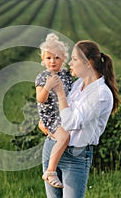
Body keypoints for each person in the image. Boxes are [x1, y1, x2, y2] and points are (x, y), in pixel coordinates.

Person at [40, 40, 121, 198]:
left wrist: (61, 94)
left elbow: (71, 122)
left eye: (74, 59)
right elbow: (61, 112)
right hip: (52, 147)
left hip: (75, 157)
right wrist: (46, 121)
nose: (69, 63)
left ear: (88, 63)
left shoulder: (101, 94)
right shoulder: (78, 85)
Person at [35, 33, 73, 188]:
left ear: (64, 58)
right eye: (49, 58)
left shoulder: (66, 75)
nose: (53, 61)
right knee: (64, 137)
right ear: (43, 59)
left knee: (68, 134)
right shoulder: (42, 77)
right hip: (50, 117)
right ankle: (50, 172)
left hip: (64, 114)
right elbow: (40, 99)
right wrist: (48, 86)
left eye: (57, 58)